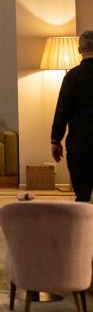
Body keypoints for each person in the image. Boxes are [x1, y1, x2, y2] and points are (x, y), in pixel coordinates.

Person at [51, 30, 93, 201]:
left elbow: (62, 111)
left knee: (82, 195)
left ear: (79, 50)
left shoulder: (72, 76)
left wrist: (56, 140)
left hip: (79, 145)